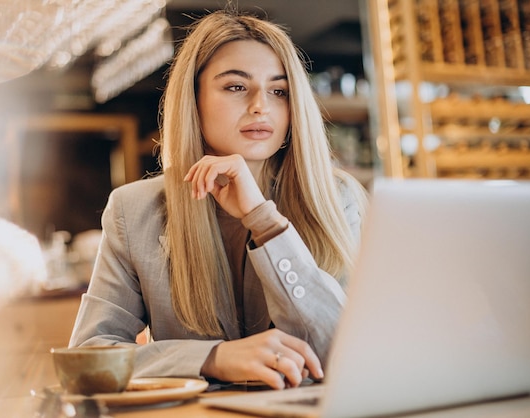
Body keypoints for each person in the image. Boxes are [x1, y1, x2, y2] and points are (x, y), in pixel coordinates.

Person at [69, 9, 367, 390]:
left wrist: (263, 220)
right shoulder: (133, 210)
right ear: (193, 100)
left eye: (279, 91)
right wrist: (213, 358)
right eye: (236, 87)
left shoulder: (334, 198)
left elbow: (348, 352)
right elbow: (90, 356)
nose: (261, 105)